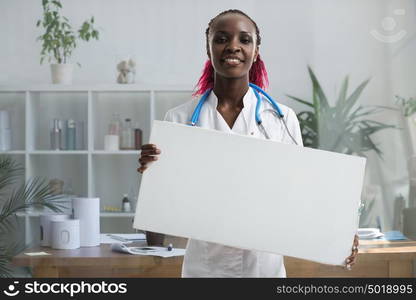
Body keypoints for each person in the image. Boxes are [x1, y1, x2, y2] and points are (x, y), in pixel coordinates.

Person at [137, 9, 359, 277]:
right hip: (205, 271)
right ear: (208, 49)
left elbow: (301, 195)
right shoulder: (179, 119)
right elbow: (157, 231)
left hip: (264, 271)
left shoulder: (282, 119)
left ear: (256, 51)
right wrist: (153, 180)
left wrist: (339, 235)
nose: (233, 46)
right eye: (221, 39)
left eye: (244, 40)